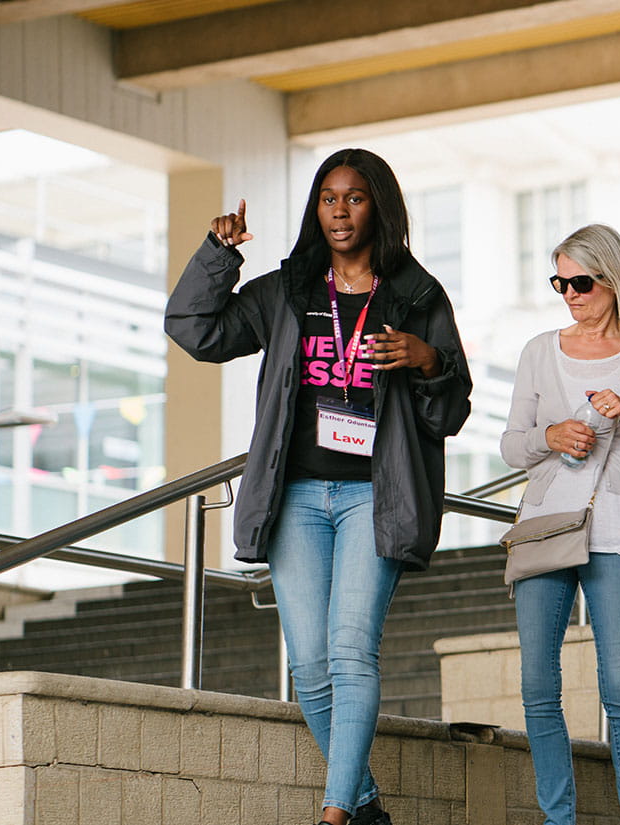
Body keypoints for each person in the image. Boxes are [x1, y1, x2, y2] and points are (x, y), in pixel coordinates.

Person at [166, 148, 473, 825]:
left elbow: (450, 413)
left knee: (350, 650)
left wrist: (429, 360)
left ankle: (334, 812)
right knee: (309, 665)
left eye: (354, 197)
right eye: (327, 197)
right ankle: (365, 808)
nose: (338, 209)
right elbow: (195, 329)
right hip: (297, 497)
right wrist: (219, 254)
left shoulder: (418, 296)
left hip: (376, 495)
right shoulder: (290, 291)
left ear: (378, 207)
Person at [500, 223, 620, 825]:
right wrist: (550, 436)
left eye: (580, 281)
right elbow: (510, 446)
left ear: (613, 280)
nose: (570, 294)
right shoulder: (538, 351)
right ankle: (560, 819)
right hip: (547, 525)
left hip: (614, 529)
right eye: (560, 282)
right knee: (537, 685)